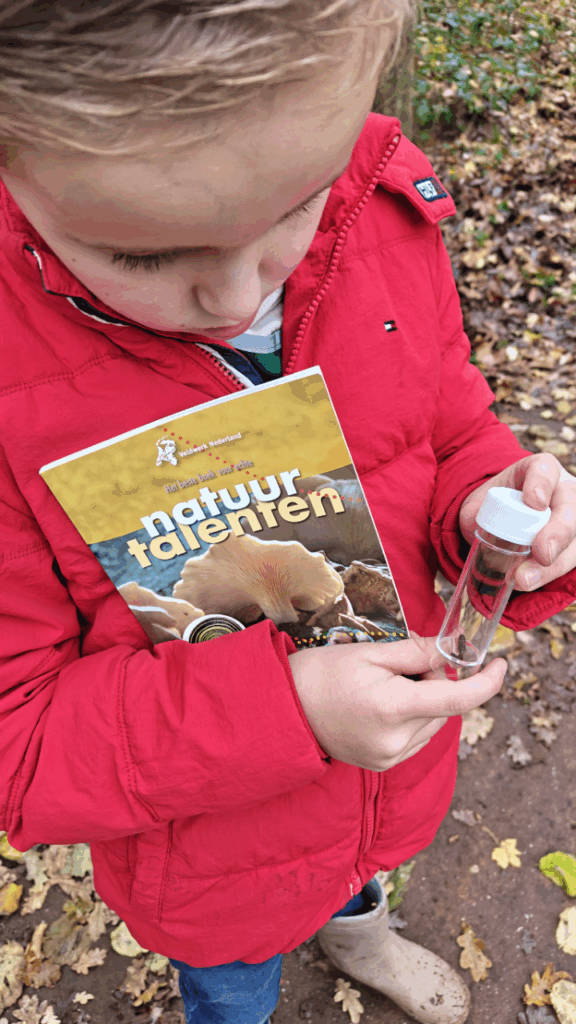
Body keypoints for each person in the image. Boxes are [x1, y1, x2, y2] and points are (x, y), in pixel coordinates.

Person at [0, 2, 575, 1023]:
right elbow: (19, 743)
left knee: (360, 873)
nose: (232, 297)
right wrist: (286, 715)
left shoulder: (378, 203)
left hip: (384, 778)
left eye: (294, 211)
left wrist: (490, 502)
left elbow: (442, 419)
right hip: (213, 864)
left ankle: (361, 929)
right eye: (138, 256)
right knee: (234, 987)